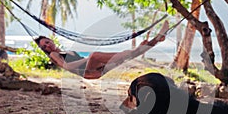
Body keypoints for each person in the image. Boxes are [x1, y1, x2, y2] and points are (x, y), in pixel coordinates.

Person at [35, 21, 169, 79]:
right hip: (89, 72)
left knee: (125, 55)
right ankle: (149, 43)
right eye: (44, 47)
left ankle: (157, 39)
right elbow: (66, 66)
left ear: (50, 39)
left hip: (96, 71)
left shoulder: (63, 51)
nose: (47, 46)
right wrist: (87, 59)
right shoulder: (53, 55)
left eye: (47, 42)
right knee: (95, 55)